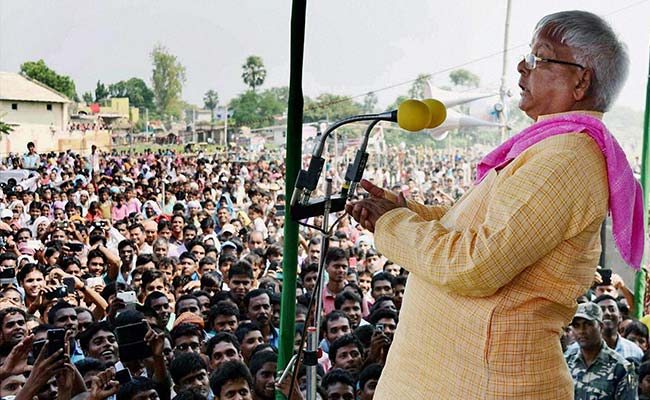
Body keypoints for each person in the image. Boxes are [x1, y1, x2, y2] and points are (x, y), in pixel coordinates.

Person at [346, 10, 640, 399]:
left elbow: (476, 263)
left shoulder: (566, 158)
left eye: (539, 57)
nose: (522, 66)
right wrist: (404, 210)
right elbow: (474, 228)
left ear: (581, 79)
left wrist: (393, 224)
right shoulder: (550, 146)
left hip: (489, 383)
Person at [565, 302, 637, 399]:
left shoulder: (622, 368)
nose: (581, 331)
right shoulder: (566, 362)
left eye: (588, 325)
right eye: (576, 326)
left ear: (601, 326)